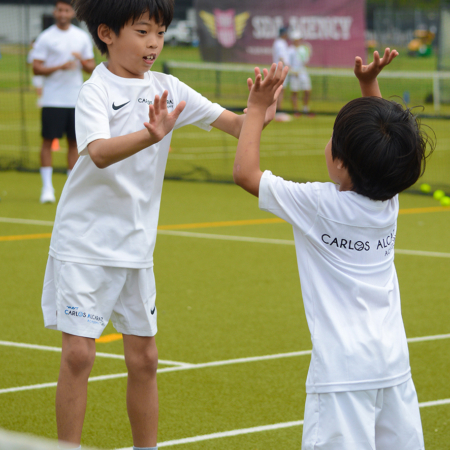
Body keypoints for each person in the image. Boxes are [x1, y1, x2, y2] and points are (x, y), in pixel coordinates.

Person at [40, 0, 281, 448]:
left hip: (136, 247)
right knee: (78, 355)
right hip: (84, 244)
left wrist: (260, 108)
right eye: (143, 31)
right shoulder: (95, 90)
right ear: (107, 34)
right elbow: (98, 152)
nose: (154, 43)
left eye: (161, 33)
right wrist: (149, 135)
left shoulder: (169, 88)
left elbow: (238, 126)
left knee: (145, 359)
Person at [233, 49, 433, 450]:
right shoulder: (388, 200)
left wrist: (255, 109)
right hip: (393, 362)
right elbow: (387, 152)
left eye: (333, 140)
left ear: (341, 163)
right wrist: (368, 85)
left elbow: (246, 174)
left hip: (342, 372)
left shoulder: (319, 205)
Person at [32, 0, 95, 204]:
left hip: (75, 100)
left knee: (74, 144)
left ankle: (71, 190)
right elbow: (36, 68)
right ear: (55, 11)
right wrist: (59, 66)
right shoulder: (46, 37)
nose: (62, 14)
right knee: (47, 142)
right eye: (59, 10)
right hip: (52, 99)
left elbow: (91, 67)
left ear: (72, 13)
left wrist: (82, 61)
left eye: (66, 10)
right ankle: (47, 188)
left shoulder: (81, 37)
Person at [288, 30, 312, 115]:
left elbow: (305, 62)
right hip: (294, 74)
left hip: (303, 73)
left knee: (307, 90)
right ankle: (295, 110)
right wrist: (292, 71)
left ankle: (305, 108)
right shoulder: (290, 50)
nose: (297, 41)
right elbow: (288, 63)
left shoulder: (303, 49)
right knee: (294, 92)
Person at [272, 26, 290, 121]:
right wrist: (288, 66)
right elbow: (281, 57)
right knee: (279, 91)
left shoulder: (282, 43)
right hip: (280, 70)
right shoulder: (279, 43)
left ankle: (278, 111)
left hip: (282, 70)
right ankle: (278, 112)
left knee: (280, 90)